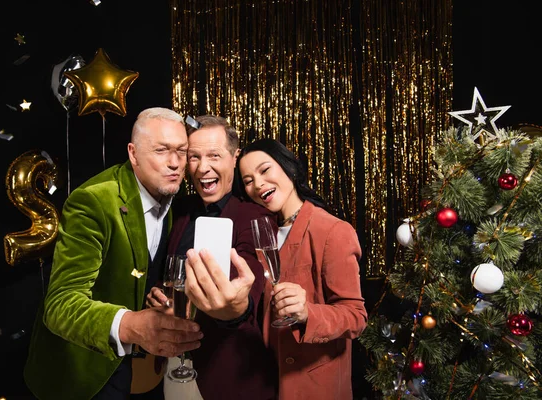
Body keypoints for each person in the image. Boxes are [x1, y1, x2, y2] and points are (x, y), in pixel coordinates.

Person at [24, 107, 204, 400]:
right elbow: (59, 305)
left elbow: (139, 269)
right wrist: (132, 325)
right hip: (85, 372)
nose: (174, 163)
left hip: (144, 372)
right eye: (161, 150)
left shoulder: (175, 202)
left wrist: (155, 292)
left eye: (181, 151)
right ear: (133, 154)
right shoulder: (93, 201)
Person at [147, 115, 277, 400]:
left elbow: (251, 295)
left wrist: (236, 307)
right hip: (174, 368)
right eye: (193, 157)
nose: (203, 168)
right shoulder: (179, 212)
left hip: (229, 376)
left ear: (234, 158)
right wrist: (158, 296)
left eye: (214, 155)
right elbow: (169, 277)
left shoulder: (256, 217)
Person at [236, 138, 368, 400]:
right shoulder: (262, 232)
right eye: (248, 180)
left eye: (264, 170)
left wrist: (308, 313)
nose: (258, 184)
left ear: (290, 168)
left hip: (314, 387)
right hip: (267, 382)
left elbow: (356, 317)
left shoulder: (332, 231)